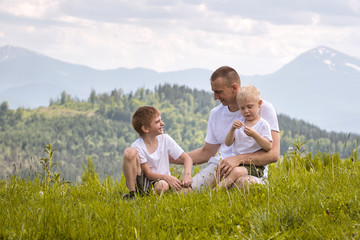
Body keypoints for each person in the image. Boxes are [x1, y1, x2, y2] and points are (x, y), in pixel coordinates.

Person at [170, 66, 280, 190]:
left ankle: (215, 194)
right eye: (214, 92)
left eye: (219, 92)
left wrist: (237, 159)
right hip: (220, 166)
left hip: (250, 168)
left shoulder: (263, 108)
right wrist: (171, 158)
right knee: (185, 192)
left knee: (244, 184)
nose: (215, 97)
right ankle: (210, 193)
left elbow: (274, 154)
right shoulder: (215, 113)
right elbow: (206, 152)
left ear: (234, 88)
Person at [122, 106, 193, 200]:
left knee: (183, 190)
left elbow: (187, 158)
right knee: (130, 152)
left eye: (161, 120)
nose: (162, 123)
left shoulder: (165, 139)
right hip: (145, 181)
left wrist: (187, 175)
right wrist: (167, 177)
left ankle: (153, 197)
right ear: (146, 129)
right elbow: (148, 174)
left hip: (162, 182)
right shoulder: (138, 146)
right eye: (157, 122)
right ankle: (132, 194)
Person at [210, 85, 273, 189]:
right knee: (221, 168)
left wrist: (254, 135)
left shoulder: (262, 124)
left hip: (255, 166)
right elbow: (228, 143)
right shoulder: (241, 123)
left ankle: (217, 192)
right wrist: (232, 129)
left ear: (259, 104)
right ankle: (207, 190)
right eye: (242, 108)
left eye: (249, 107)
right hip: (237, 162)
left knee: (235, 172)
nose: (246, 111)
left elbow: (268, 146)